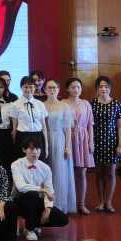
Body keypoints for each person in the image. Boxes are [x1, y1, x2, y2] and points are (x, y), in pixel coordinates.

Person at [11, 138, 69, 241]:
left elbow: (50, 191)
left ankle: (34, 223)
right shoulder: (16, 164)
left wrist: (48, 208)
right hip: (19, 200)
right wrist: (42, 190)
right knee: (32, 194)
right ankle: (29, 229)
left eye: (37, 149)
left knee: (62, 218)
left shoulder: (45, 168)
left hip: (37, 201)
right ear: (24, 150)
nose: (35, 152)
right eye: (31, 149)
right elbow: (21, 187)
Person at [91, 75, 121, 213]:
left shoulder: (117, 104)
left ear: (110, 88)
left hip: (112, 142)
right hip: (96, 142)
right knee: (99, 173)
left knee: (111, 173)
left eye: (106, 86)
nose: (103, 89)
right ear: (97, 89)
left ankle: (109, 202)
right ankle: (100, 202)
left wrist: (120, 145)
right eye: (101, 86)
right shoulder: (92, 103)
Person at [62, 77, 94, 215]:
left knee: (81, 173)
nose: (76, 89)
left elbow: (90, 125)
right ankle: (68, 203)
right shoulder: (63, 103)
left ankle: (81, 204)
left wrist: (91, 141)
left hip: (83, 139)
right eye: (73, 87)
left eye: (78, 87)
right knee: (67, 173)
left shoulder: (86, 104)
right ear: (67, 89)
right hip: (67, 139)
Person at [44, 80, 76, 214]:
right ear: (45, 90)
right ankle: (46, 204)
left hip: (59, 140)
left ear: (58, 89)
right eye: (49, 87)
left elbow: (68, 129)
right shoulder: (41, 105)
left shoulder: (64, 106)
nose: (52, 90)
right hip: (44, 139)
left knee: (59, 172)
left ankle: (59, 205)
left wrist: (67, 147)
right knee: (46, 172)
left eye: (54, 87)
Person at [10, 76, 49, 161]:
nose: (28, 89)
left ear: (35, 88)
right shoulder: (15, 105)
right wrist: (14, 145)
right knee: (23, 163)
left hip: (38, 136)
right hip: (22, 137)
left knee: (39, 163)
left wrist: (46, 147)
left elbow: (44, 127)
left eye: (31, 87)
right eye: (26, 87)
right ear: (21, 88)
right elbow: (14, 129)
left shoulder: (40, 104)